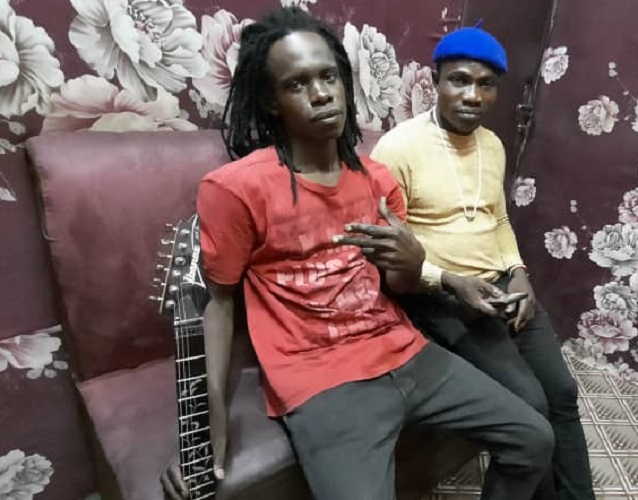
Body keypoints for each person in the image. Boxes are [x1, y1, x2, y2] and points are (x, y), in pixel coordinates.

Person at [161, 8, 555, 500]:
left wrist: (412, 264)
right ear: (271, 101)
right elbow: (218, 302)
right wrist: (210, 420)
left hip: (404, 350)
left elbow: (399, 287)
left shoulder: (378, 179)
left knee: (534, 439)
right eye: (297, 84)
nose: (321, 93)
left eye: (328, 77)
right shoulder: (234, 189)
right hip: (319, 378)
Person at [361, 25, 594, 500]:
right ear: (435, 81)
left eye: (486, 84)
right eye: (459, 80)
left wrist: (520, 273)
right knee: (531, 404)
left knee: (562, 394)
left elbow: (498, 219)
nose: (473, 95)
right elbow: (387, 251)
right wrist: (449, 282)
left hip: (504, 287)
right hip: (442, 298)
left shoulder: (493, 145)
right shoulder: (397, 149)